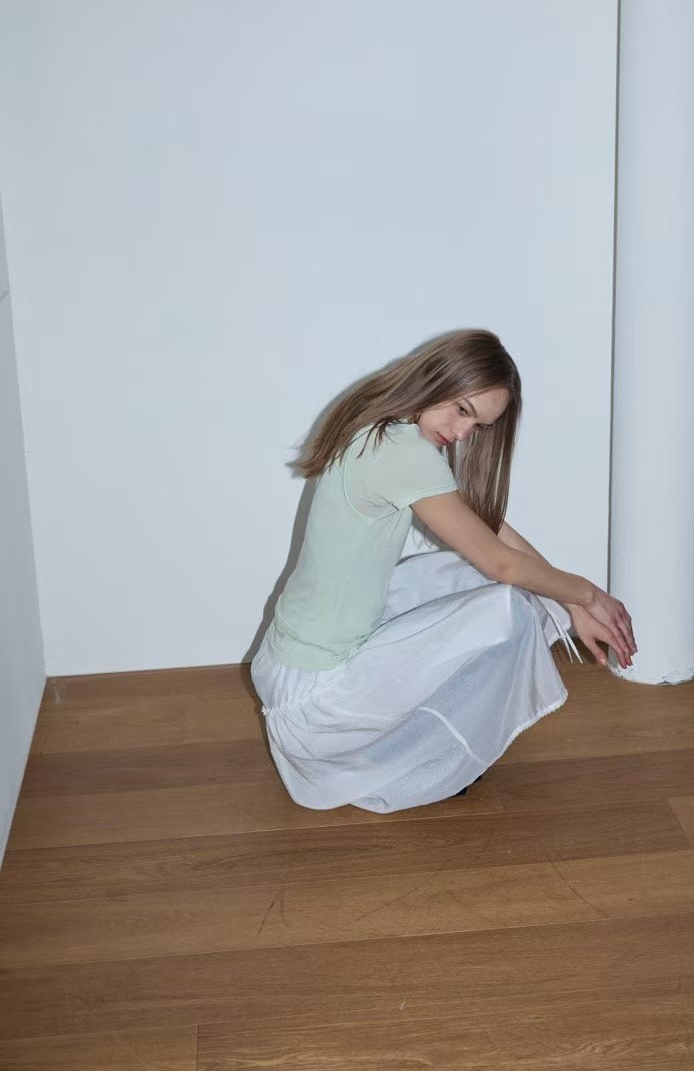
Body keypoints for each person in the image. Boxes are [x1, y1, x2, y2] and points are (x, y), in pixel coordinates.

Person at [251, 328, 636, 814]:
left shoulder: (384, 426)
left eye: (476, 425)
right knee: (509, 603)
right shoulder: (402, 451)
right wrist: (588, 596)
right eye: (462, 410)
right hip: (317, 698)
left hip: (291, 664)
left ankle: (401, 734)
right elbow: (500, 561)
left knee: (478, 576)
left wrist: (568, 599)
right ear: (438, 378)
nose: (461, 433)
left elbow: (490, 531)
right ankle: (413, 744)